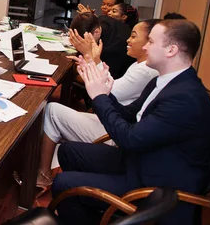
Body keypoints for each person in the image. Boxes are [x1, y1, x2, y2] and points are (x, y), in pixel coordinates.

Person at [53, 20, 210, 225]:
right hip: (140, 160)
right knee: (68, 151)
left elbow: (129, 139)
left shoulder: (184, 98)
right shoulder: (165, 81)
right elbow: (129, 115)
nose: (145, 47)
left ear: (171, 50)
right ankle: (90, 210)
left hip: (155, 184)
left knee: (63, 183)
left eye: (151, 42)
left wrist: (99, 98)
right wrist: (105, 92)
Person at [32, 19, 160, 196]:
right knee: (54, 112)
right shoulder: (140, 65)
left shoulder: (146, 71)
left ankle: (43, 174)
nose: (127, 40)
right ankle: (43, 172)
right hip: (115, 122)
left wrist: (92, 61)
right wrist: (94, 62)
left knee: (52, 112)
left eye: (133, 36)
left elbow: (108, 94)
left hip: (114, 131)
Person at [69, 12, 134, 79]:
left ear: (97, 32)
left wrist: (86, 53)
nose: (79, 43)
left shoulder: (114, 46)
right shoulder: (99, 20)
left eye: (82, 41)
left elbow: (102, 80)